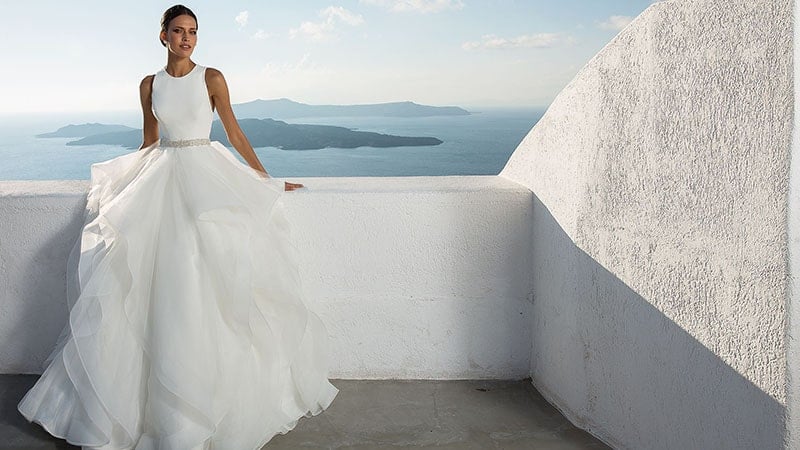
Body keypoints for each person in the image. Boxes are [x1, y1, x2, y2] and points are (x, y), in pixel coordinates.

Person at [17, 4, 339, 449]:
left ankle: (206, 393)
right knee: (157, 284)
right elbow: (150, 141)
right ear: (163, 36)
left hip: (205, 175)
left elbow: (236, 134)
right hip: (163, 178)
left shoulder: (212, 78)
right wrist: (122, 186)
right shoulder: (150, 84)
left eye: (193, 32)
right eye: (178, 31)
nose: (187, 38)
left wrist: (266, 180)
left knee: (203, 277)